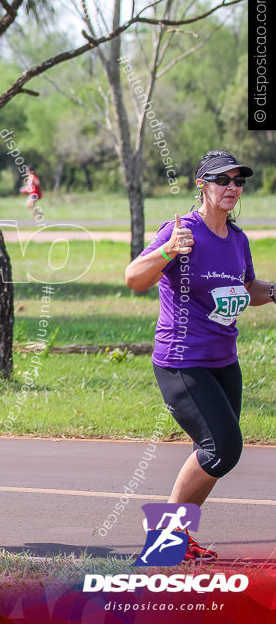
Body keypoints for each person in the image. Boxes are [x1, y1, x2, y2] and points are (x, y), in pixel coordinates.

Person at [124, 150, 274, 562]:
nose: (232, 187)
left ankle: (170, 542)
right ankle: (164, 531)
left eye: (238, 181)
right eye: (222, 179)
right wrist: (170, 249)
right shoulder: (182, 230)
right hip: (181, 360)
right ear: (202, 185)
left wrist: (274, 290)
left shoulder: (238, 239)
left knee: (211, 452)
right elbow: (134, 278)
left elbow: (247, 288)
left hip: (224, 361)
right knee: (223, 448)